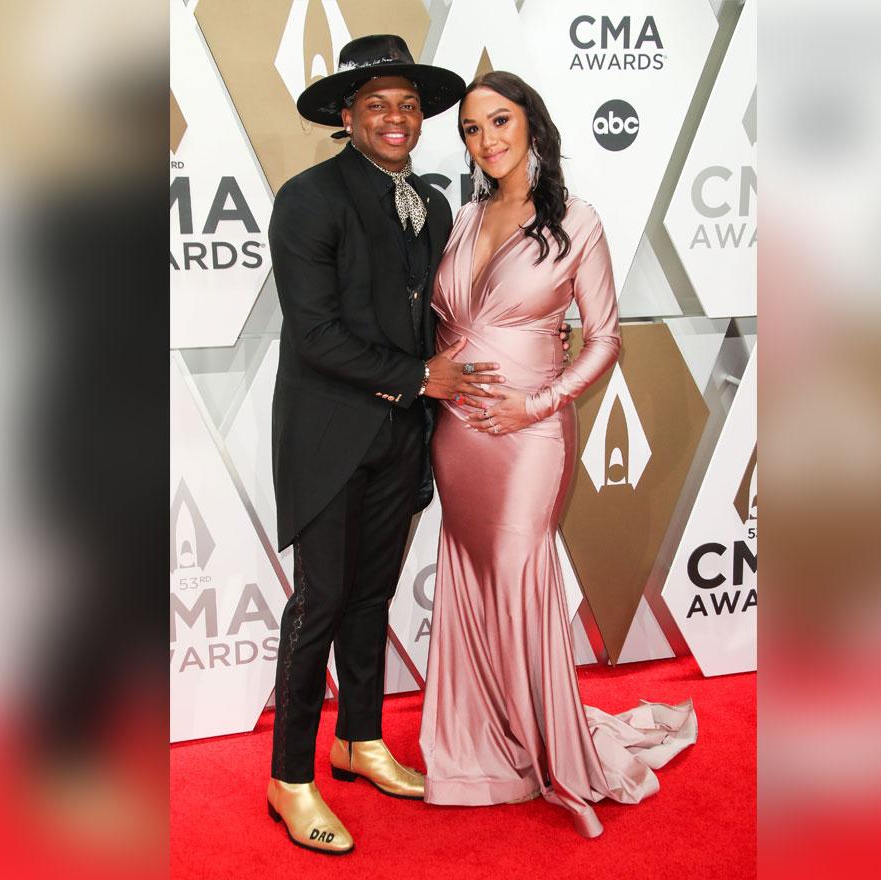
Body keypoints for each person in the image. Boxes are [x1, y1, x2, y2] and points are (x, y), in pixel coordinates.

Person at [418, 71, 697, 838]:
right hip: (457, 435)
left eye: (500, 121)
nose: (486, 140)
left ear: (531, 126)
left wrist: (536, 403)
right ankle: (484, 747)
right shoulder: (461, 218)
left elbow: (605, 338)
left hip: (530, 435)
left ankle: (547, 747)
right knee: (472, 577)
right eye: (472, 130)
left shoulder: (578, 220)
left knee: (516, 572)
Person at [264, 35, 510, 856]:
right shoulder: (308, 199)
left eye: (407, 103)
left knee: (371, 598)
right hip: (331, 438)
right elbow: (316, 336)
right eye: (377, 104)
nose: (396, 117)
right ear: (347, 115)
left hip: (403, 439)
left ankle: (359, 741)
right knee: (320, 603)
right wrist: (419, 378)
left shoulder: (433, 206)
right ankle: (290, 777)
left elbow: (435, 315)